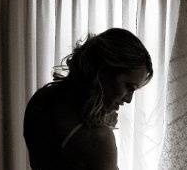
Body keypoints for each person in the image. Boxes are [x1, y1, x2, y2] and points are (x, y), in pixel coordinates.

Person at [23, 28, 153, 170]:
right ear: (104, 72)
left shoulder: (41, 99)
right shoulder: (98, 138)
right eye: (129, 87)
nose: (128, 99)